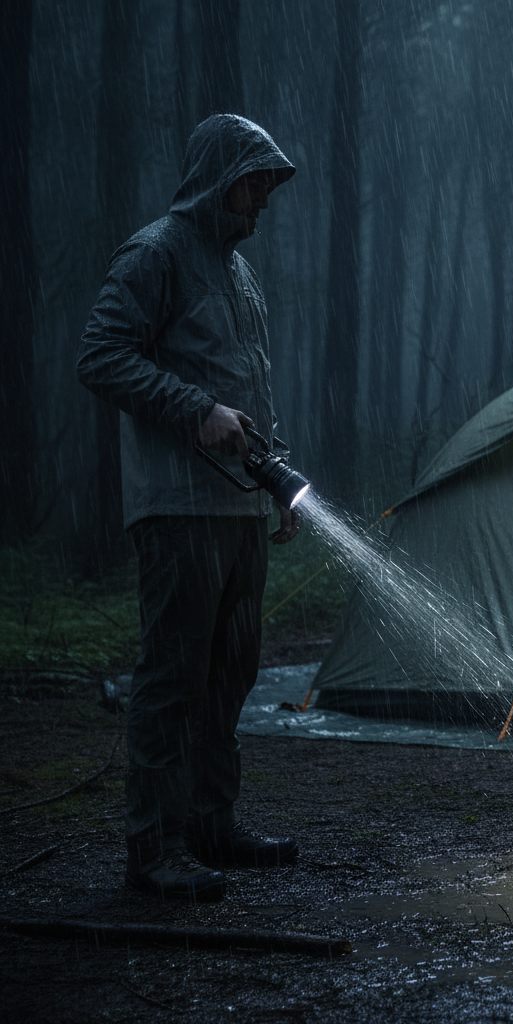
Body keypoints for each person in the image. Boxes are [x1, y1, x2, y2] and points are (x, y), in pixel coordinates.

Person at [78, 114, 302, 902]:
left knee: (231, 674)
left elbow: (246, 383)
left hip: (239, 512)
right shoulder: (156, 253)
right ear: (218, 176)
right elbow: (101, 356)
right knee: (174, 678)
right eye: (255, 182)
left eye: (270, 184)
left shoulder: (236, 271)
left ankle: (211, 825)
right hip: (178, 511)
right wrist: (193, 407)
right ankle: (155, 849)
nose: (264, 199)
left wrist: (276, 481)